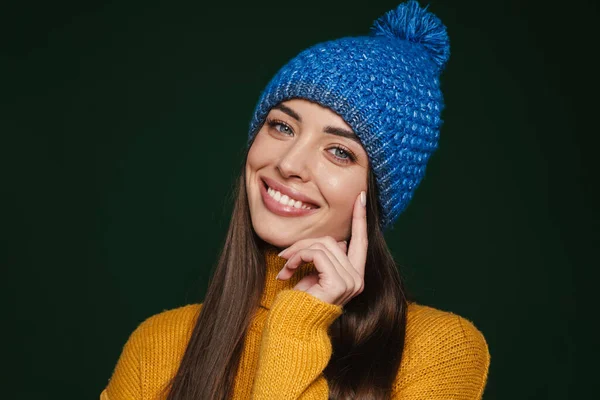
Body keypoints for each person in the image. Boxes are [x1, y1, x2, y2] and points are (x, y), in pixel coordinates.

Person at [100, 1, 490, 399]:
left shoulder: (438, 350)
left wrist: (298, 326)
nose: (289, 163)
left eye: (339, 151)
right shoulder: (156, 348)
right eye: (282, 126)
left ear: (375, 197)